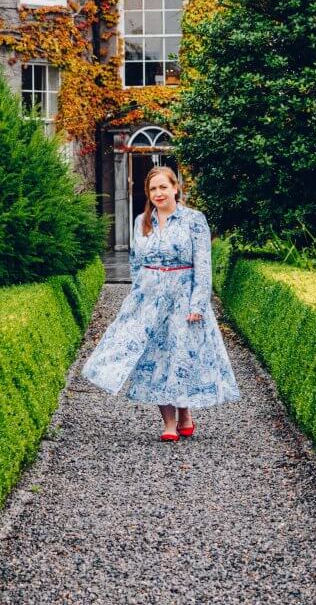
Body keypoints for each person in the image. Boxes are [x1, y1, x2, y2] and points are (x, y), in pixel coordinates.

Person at [81, 165, 241, 441]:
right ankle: (168, 423)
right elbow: (135, 263)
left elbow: (203, 266)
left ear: (175, 189)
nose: (158, 193)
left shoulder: (193, 220)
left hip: (182, 298)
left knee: (180, 357)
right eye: (153, 189)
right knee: (154, 358)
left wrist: (197, 305)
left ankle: (185, 412)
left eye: (163, 187)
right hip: (150, 300)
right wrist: (137, 297)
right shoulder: (140, 221)